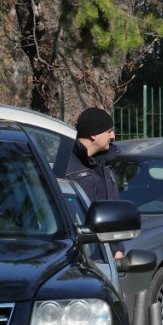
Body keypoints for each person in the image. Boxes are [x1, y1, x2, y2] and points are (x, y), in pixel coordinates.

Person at [65, 107, 123, 257]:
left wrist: (117, 249)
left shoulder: (107, 163)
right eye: (109, 131)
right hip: (82, 255)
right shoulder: (65, 167)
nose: (113, 136)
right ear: (94, 134)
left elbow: (113, 212)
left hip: (110, 256)